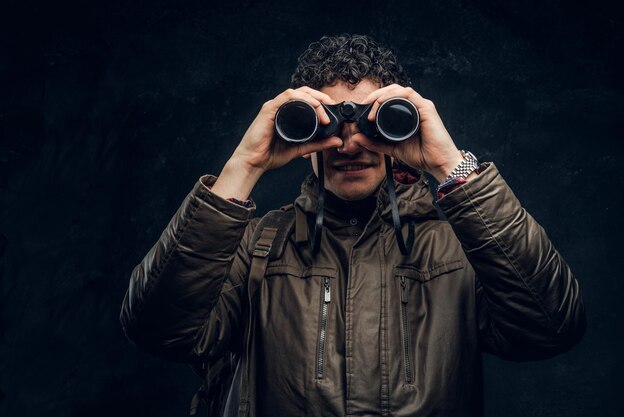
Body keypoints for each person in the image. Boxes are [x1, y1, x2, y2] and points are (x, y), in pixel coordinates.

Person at [120, 34, 586, 417]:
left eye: (372, 121)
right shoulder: (258, 247)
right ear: (301, 128)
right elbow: (157, 328)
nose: (349, 143)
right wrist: (244, 164)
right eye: (328, 122)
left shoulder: (458, 250)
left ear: (402, 123)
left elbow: (553, 325)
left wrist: (449, 163)